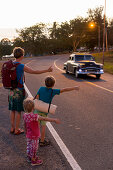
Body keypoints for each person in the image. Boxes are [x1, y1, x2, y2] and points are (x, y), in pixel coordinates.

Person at [9, 47, 53, 135]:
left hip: (11, 90)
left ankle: (12, 128)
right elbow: (34, 72)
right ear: (22, 55)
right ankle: (17, 129)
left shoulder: (10, 64)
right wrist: (47, 70)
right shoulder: (21, 66)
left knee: (12, 109)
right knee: (18, 111)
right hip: (19, 90)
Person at [34, 76, 79, 146]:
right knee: (43, 126)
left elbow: (36, 98)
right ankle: (42, 141)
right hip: (45, 110)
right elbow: (64, 90)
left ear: (45, 83)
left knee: (36, 125)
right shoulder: (53, 91)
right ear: (53, 84)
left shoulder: (41, 88)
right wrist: (74, 88)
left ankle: (35, 139)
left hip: (38, 109)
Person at [23, 98, 60, 166]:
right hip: (35, 135)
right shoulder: (34, 116)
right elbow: (44, 118)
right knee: (34, 147)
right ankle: (33, 160)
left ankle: (29, 157)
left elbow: (24, 124)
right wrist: (54, 120)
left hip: (28, 134)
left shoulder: (25, 115)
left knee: (29, 145)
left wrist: (26, 132)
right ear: (33, 108)